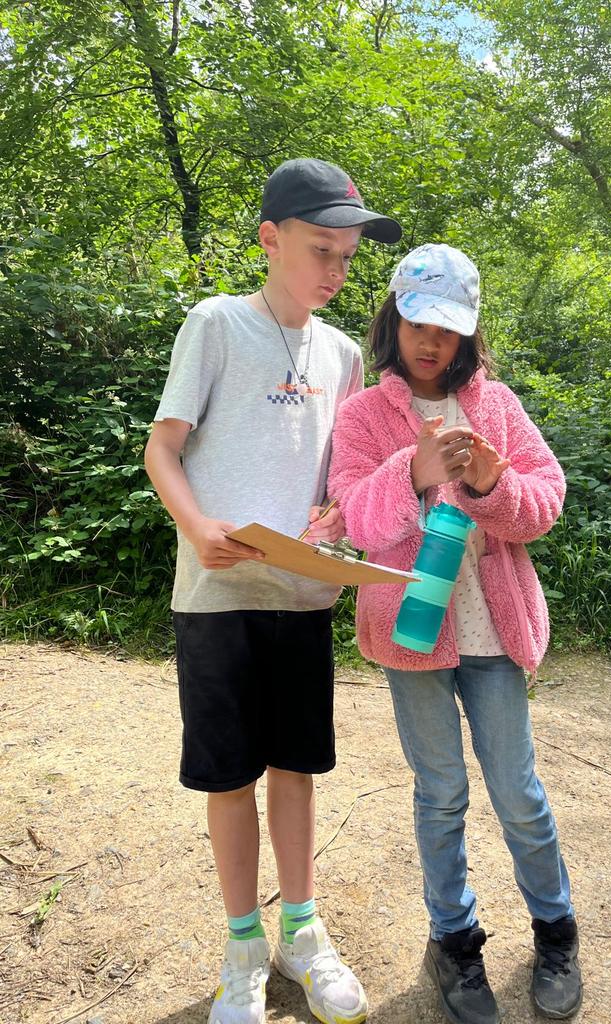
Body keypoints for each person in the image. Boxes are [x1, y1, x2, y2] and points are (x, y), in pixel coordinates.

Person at [144, 158, 401, 1024]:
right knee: (228, 776)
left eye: (348, 255)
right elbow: (163, 449)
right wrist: (196, 525)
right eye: (321, 250)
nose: (336, 270)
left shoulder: (344, 353)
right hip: (217, 594)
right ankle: (243, 945)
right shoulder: (216, 324)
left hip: (302, 595)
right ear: (270, 239)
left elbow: (340, 479)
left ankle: (301, 930)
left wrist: (336, 518)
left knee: (297, 767)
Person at [328, 244, 583, 1023]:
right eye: (416, 321)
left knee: (519, 794)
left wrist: (490, 482)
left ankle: (556, 931)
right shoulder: (364, 415)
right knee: (440, 796)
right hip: (412, 635)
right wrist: (411, 470)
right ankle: (455, 943)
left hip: (495, 637)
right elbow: (357, 522)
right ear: (393, 320)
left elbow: (546, 500)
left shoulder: (497, 405)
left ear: (468, 333)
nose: (430, 340)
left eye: (447, 326)